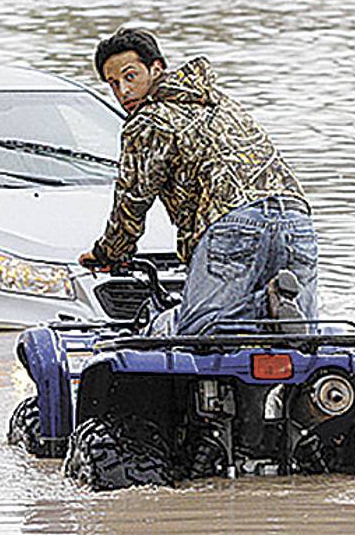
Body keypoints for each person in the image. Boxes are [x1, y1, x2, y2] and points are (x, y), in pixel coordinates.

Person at [78, 28, 318, 335]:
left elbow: (132, 202)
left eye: (130, 76)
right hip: (297, 221)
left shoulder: (149, 120)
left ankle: (263, 306)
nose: (123, 91)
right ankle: (283, 312)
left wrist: (107, 254)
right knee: (306, 339)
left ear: (157, 68)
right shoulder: (218, 101)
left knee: (204, 333)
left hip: (233, 222)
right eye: (113, 84)